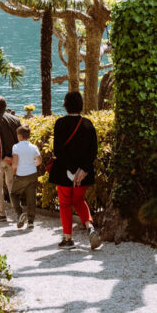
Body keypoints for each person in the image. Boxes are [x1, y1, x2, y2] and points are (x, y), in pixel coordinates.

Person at [49, 91, 100, 249]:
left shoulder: (60, 123)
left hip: (64, 171)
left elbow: (58, 151)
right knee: (78, 200)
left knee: (64, 203)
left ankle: (68, 239)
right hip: (83, 175)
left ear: (65, 105)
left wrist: (72, 169)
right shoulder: (88, 124)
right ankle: (90, 228)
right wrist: (83, 170)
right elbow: (93, 151)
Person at [0, 96, 21, 221]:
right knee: (12, 185)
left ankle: (2, 213)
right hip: (12, 159)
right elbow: (20, 139)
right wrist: (14, 157)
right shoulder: (15, 119)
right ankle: (18, 212)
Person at [10, 124, 41, 229]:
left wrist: (14, 171)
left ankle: (20, 214)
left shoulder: (16, 147)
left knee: (13, 193)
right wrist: (33, 165)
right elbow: (39, 160)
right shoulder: (34, 147)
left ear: (19, 135)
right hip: (32, 174)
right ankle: (31, 221)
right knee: (31, 197)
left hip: (21, 175)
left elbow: (14, 163)